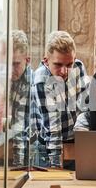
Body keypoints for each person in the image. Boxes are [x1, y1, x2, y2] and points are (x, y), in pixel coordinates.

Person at [32, 31, 89, 168]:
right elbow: (53, 128)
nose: (64, 71)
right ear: (46, 60)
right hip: (48, 149)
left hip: (76, 144)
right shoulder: (41, 80)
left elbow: (86, 108)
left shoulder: (78, 67)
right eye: (58, 65)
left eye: (69, 64)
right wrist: (56, 166)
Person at [9, 30, 33, 167]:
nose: (10, 69)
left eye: (15, 64)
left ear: (27, 60)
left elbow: (19, 125)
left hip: (25, 154)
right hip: (1, 148)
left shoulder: (31, 82)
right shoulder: (0, 76)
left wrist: (17, 166)